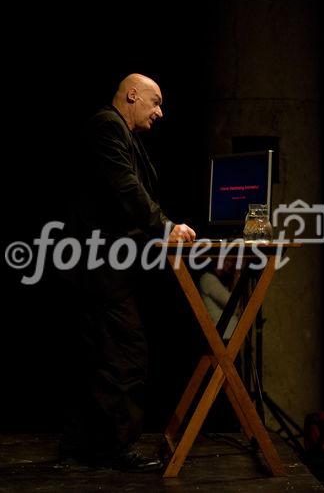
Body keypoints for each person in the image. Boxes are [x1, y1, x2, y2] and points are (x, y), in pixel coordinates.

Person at [61, 73, 196, 472]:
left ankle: (91, 444)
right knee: (123, 353)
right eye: (155, 102)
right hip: (99, 264)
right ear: (132, 94)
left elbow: (133, 190)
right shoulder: (107, 127)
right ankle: (113, 449)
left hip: (106, 263)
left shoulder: (124, 133)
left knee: (104, 351)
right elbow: (126, 188)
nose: (160, 112)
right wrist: (167, 227)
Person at [199, 259, 240, 339]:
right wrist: (236, 281)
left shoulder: (223, 280)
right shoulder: (208, 279)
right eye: (227, 260)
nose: (230, 264)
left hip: (228, 335)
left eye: (231, 261)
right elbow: (230, 304)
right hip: (222, 335)